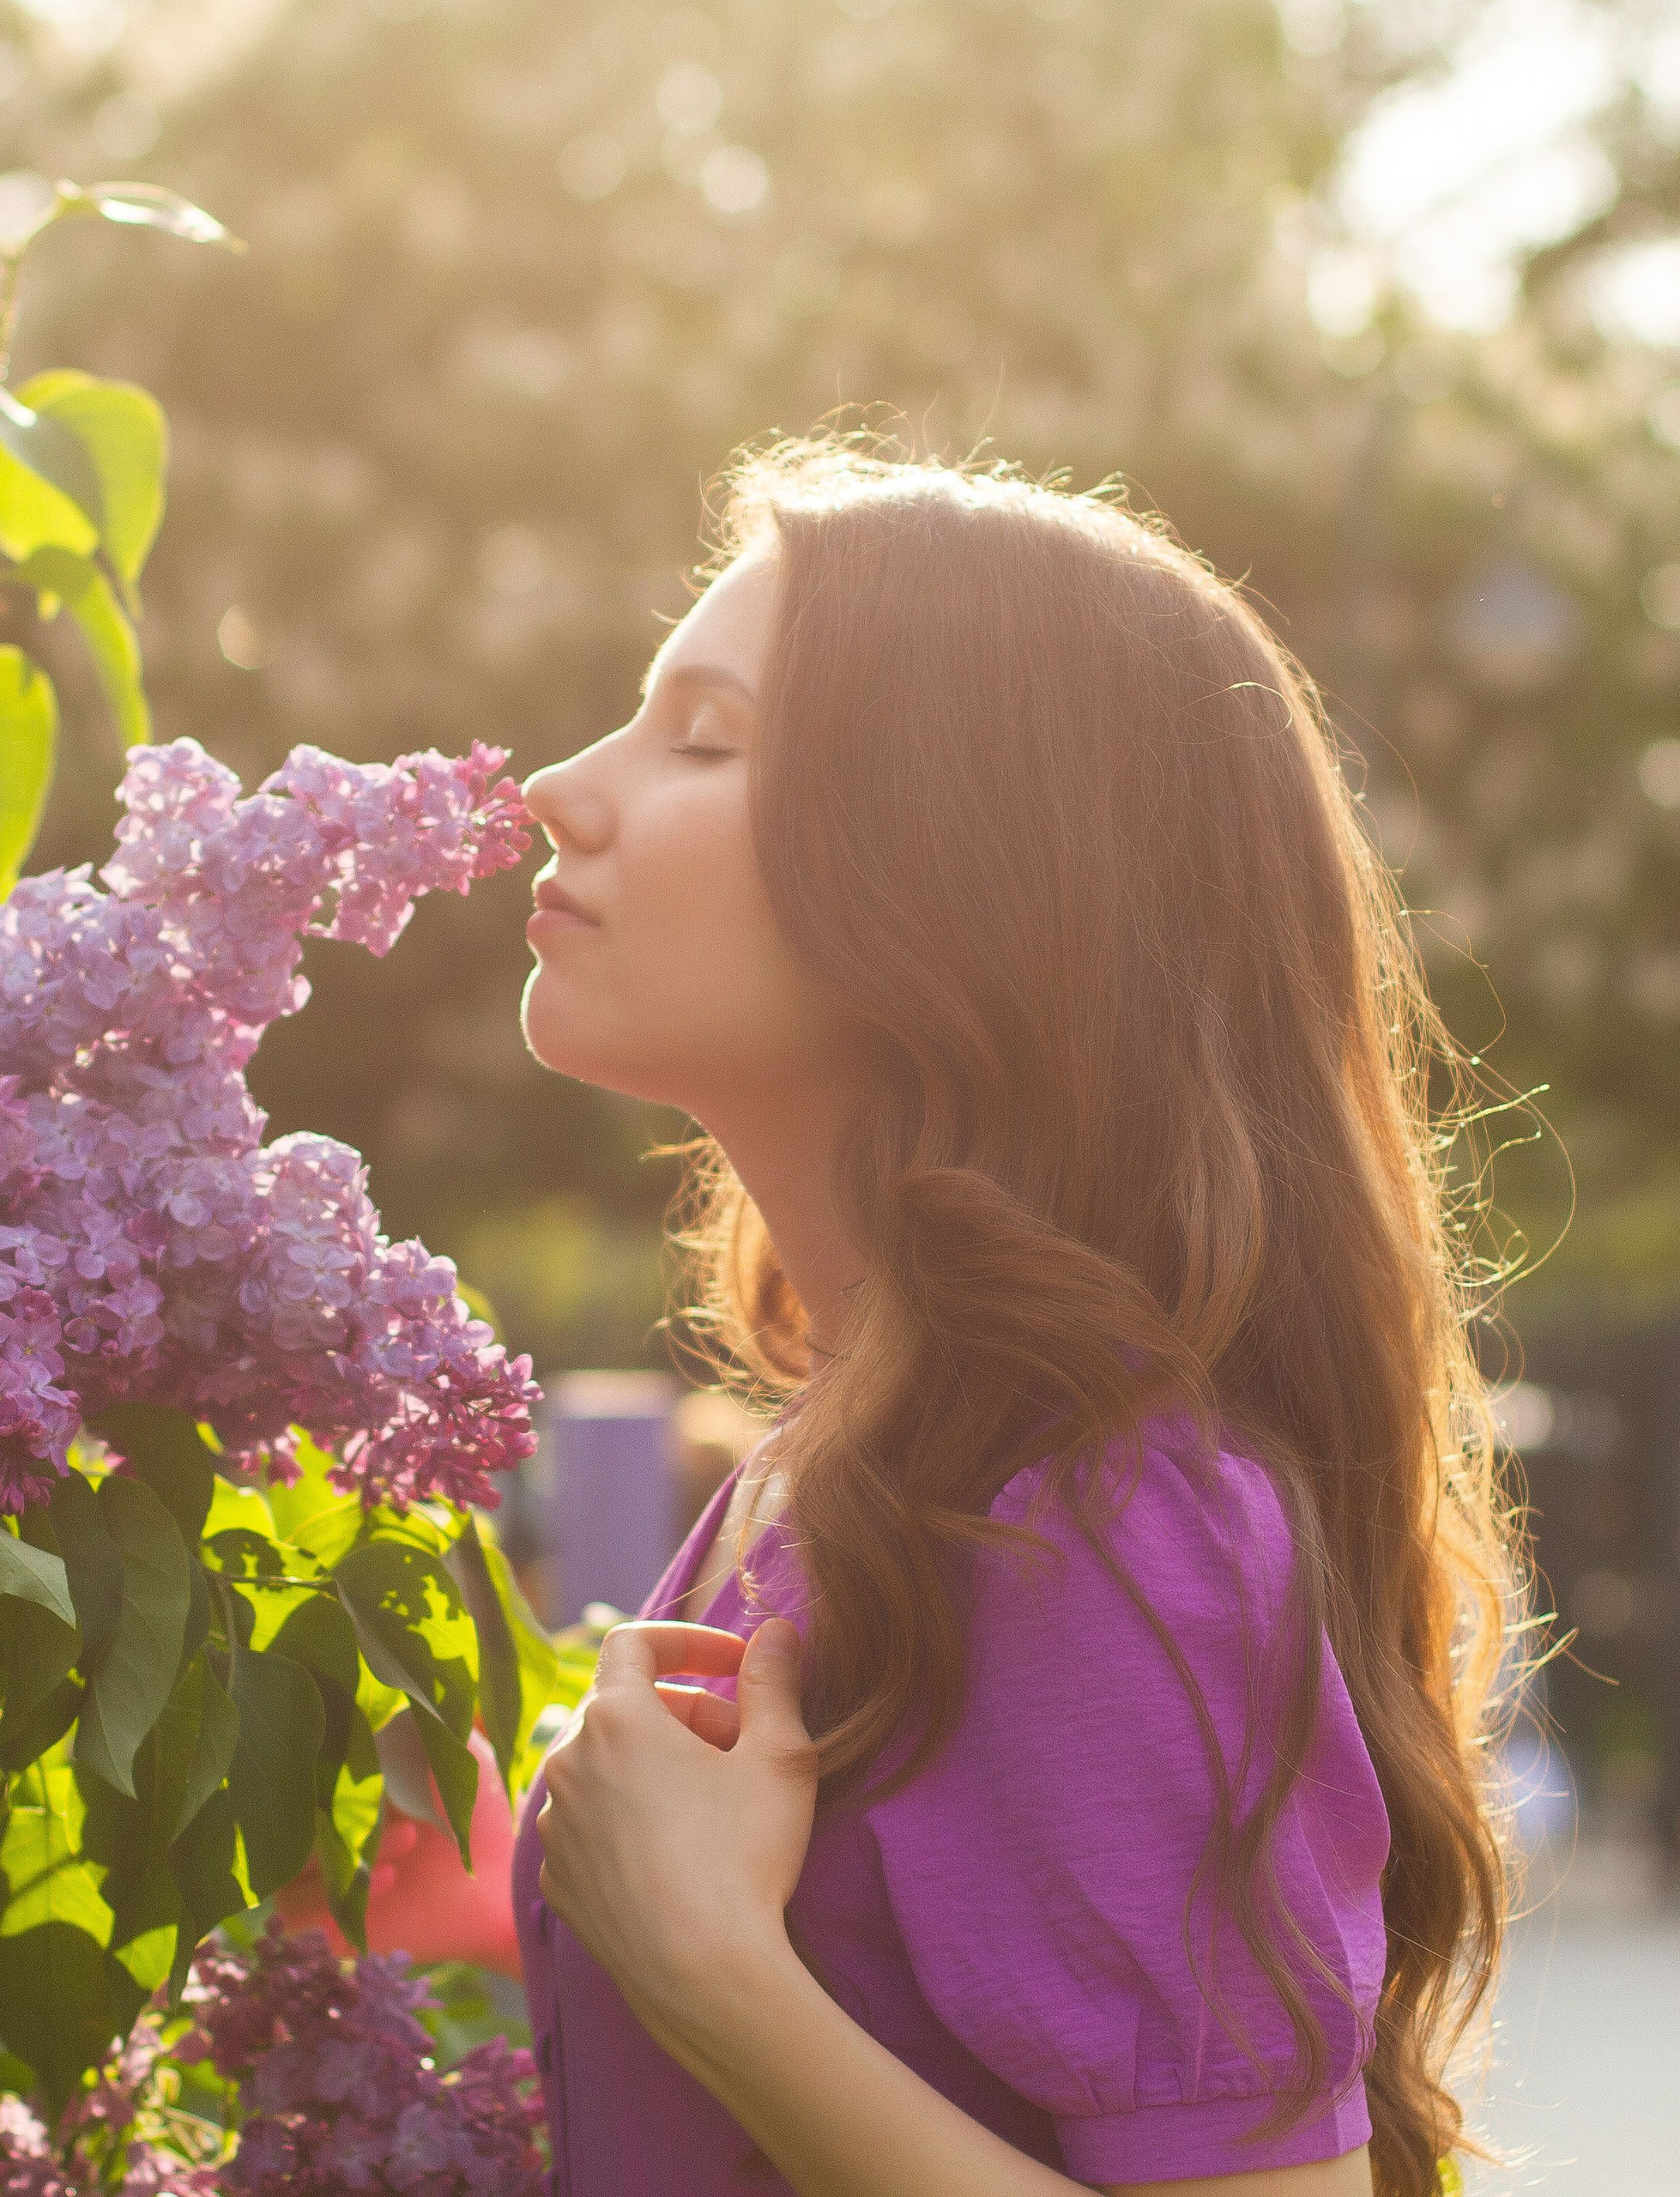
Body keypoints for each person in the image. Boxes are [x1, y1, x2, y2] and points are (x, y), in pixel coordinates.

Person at [507, 439, 1522, 2197]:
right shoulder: (850, 1455)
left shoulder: (1089, 1516)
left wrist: (707, 1966)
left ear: (960, 871)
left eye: (702, 738)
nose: (552, 787)